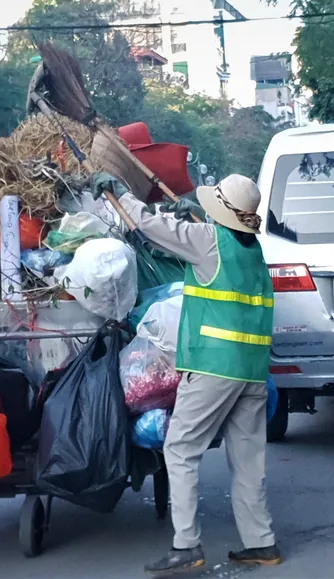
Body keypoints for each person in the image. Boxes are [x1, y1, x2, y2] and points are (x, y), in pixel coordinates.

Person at [90, 172, 281, 575]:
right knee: (247, 460)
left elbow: (146, 224)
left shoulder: (208, 242)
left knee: (179, 449)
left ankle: (187, 545)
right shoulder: (253, 252)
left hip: (213, 365)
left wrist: (119, 190)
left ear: (221, 215)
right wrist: (196, 216)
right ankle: (261, 543)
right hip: (252, 370)